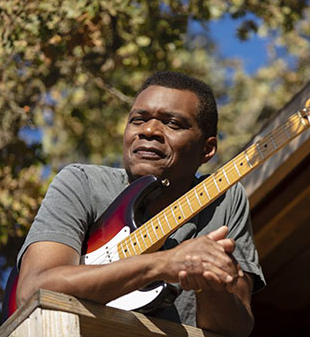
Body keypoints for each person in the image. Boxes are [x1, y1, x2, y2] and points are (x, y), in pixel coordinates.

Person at [16, 71, 265, 336]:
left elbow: (236, 328)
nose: (148, 131)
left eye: (172, 124)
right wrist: (164, 264)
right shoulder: (82, 183)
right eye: (138, 120)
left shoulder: (225, 198)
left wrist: (212, 287)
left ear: (207, 149)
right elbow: (33, 289)